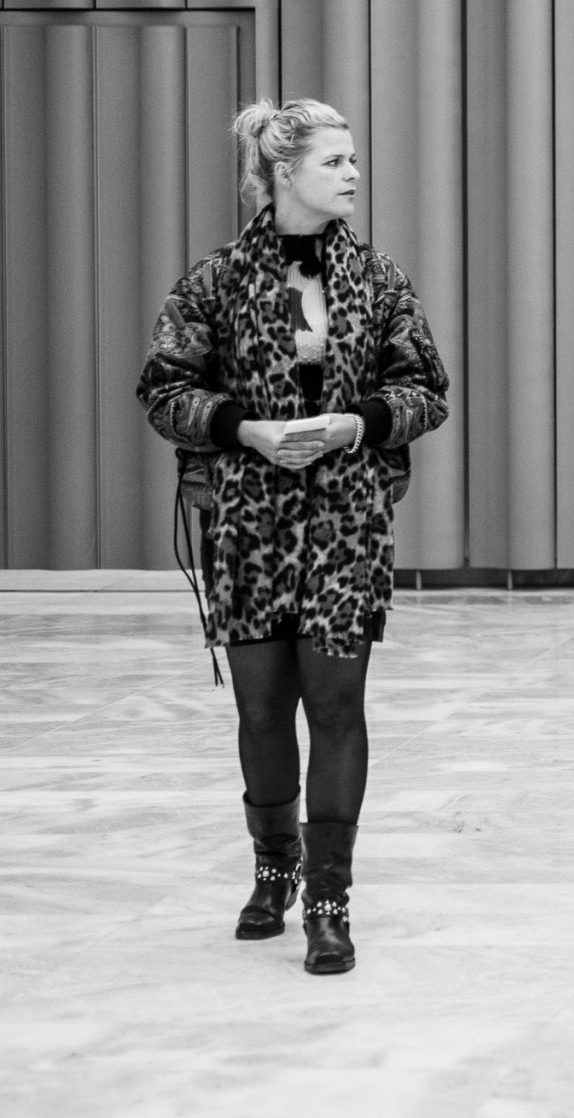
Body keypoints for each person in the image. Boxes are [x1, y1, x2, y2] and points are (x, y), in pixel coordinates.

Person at [137, 100, 451, 976]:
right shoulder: (214, 282)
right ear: (283, 173)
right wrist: (245, 428)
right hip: (248, 521)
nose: (353, 172)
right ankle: (272, 868)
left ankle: (328, 898)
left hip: (349, 519)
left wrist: (357, 423)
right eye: (335, 160)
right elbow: (162, 389)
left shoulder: (379, 279)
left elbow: (426, 387)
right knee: (263, 709)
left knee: (338, 706)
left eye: (354, 158)